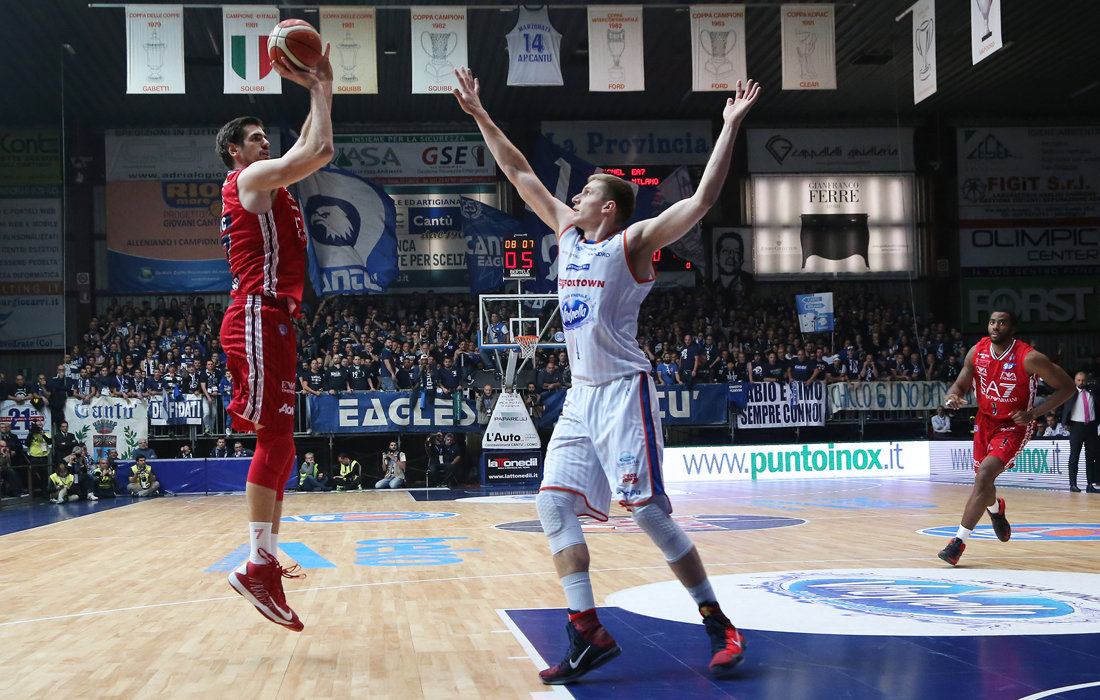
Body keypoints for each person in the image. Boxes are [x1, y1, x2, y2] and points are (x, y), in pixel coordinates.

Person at [454, 67, 760, 683]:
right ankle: (587, 630)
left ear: (609, 207)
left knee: (646, 512)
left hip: (624, 390)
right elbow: (518, 172)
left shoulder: (633, 243)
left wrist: (729, 127)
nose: (574, 198)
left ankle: (718, 622)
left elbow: (700, 202)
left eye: (586, 192)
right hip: (581, 396)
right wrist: (481, 114)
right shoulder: (568, 235)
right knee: (551, 505)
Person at [216, 43, 334, 632]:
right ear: (234, 152)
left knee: (284, 445)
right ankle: (257, 565)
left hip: (276, 319)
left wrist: (319, 90)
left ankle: (264, 561)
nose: (265, 142)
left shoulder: (271, 182)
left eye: (266, 136)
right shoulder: (251, 179)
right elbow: (321, 150)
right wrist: (320, 85)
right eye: (255, 137)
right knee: (274, 439)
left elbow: (308, 143)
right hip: (256, 315)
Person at [939, 310, 1074, 566]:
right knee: (984, 483)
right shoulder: (976, 352)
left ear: (1012, 329)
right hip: (984, 422)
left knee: (983, 476)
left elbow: (1067, 387)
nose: (995, 326)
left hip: (1014, 425)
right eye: (992, 322)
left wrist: (1033, 414)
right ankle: (996, 509)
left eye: (1001, 323)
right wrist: (952, 396)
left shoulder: (1029, 357)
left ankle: (957, 543)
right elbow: (960, 384)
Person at [1061, 371, 1100, 492]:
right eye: (1078, 380)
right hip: (1076, 427)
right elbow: (1064, 406)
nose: (1081, 382)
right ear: (1075, 381)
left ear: (1086, 381)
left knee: (1091, 457)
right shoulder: (1071, 393)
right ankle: (1073, 484)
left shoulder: (1092, 391)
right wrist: (1065, 422)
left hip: (1091, 426)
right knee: (1074, 456)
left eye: (1083, 380)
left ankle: (1090, 485)